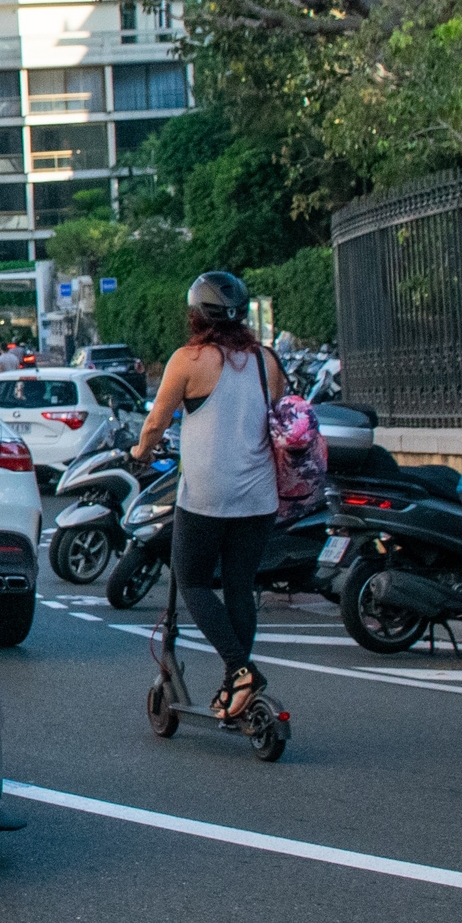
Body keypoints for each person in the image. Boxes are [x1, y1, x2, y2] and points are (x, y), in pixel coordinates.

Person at [129, 273, 287, 721]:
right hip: (259, 497)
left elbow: (157, 422)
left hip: (206, 495)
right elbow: (274, 413)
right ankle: (234, 687)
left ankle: (240, 671)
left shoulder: (188, 359)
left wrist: (140, 454)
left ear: (196, 315)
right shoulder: (267, 361)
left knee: (192, 580)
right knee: (240, 586)